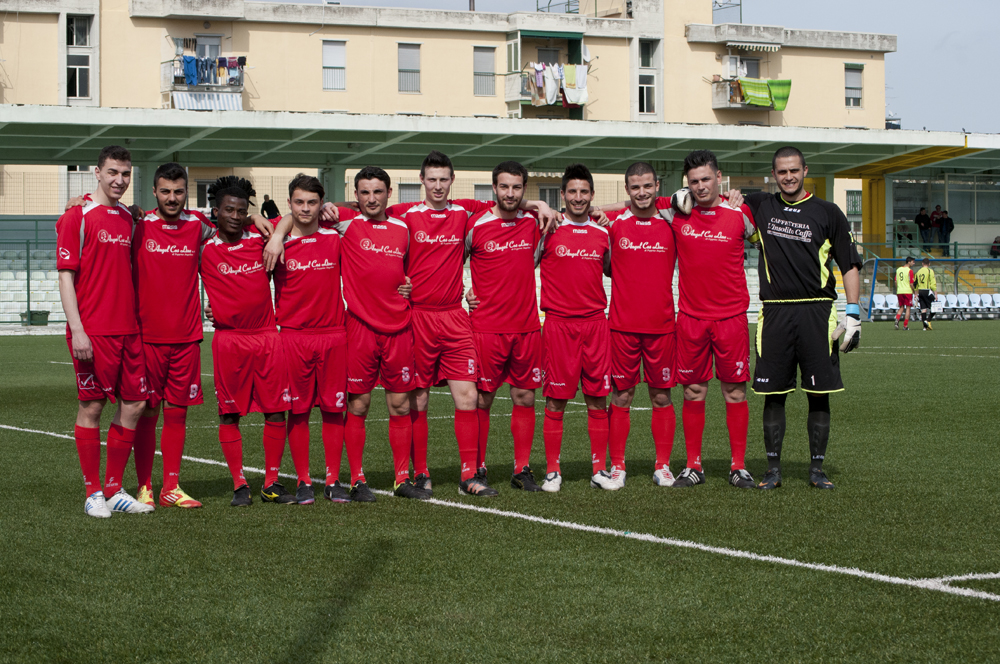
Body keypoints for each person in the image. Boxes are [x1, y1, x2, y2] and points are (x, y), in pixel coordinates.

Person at [383, 152, 556, 497]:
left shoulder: (467, 214)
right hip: (420, 317)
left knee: (470, 396)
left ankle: (472, 476)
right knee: (419, 399)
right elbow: (370, 219)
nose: (437, 185)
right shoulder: (405, 216)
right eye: (431, 179)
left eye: (443, 179)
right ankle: (420, 473)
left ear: (452, 181)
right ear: (421, 181)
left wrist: (539, 203)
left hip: (459, 318)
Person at [266, 167, 424, 501]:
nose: (371, 198)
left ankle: (401, 479)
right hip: (356, 328)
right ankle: (354, 479)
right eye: (364, 192)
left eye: (377, 192)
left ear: (389, 193)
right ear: (356, 195)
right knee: (355, 404)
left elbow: (404, 271)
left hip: (396, 327)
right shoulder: (344, 226)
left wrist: (405, 288)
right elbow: (294, 217)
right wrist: (278, 231)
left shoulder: (402, 229)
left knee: (398, 403)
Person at [734, 146, 862, 490]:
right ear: (773, 175)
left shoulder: (828, 212)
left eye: (794, 170)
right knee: (773, 394)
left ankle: (817, 470)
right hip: (775, 311)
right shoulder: (761, 205)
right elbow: (724, 206)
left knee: (819, 393)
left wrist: (853, 312)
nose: (788, 177)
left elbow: (848, 264)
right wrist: (731, 195)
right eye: (781, 172)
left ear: (805, 170)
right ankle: (772, 470)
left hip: (817, 311)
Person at [57, 145, 153, 518]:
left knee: (134, 405)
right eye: (113, 172)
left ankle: (114, 489)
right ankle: (92, 491)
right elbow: (66, 277)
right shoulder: (77, 217)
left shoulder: (129, 218)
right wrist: (77, 330)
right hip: (92, 330)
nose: (119, 180)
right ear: (96, 173)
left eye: (126, 174)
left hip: (129, 330)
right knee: (93, 406)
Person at [658, 150, 757, 490]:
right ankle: (693, 465)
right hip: (690, 319)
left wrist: (740, 199)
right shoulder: (675, 212)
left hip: (730, 317)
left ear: (719, 178)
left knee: (734, 392)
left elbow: (766, 237)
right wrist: (672, 196)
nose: (700, 187)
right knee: (694, 391)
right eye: (693, 182)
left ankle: (739, 466)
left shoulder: (739, 213)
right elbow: (638, 202)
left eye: (705, 179)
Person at [199, 176, 294, 506]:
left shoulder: (261, 240)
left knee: (276, 410)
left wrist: (273, 232)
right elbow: (169, 216)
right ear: (216, 212)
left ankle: (271, 482)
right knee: (229, 414)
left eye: (242, 211)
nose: (236, 216)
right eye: (230, 210)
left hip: (267, 338)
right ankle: (240, 484)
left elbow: (295, 214)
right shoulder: (204, 249)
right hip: (229, 341)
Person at [129, 163, 217, 509]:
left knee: (177, 413)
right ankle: (144, 486)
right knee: (148, 411)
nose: (172, 198)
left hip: (186, 337)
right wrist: (80, 200)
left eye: (178, 191)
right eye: (165, 191)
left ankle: (171, 487)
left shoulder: (198, 226)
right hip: (147, 337)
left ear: (186, 193)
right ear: (154, 192)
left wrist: (256, 219)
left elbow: (231, 224)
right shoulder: (139, 225)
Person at [464, 161, 547, 491]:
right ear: (493, 189)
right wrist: (465, 295)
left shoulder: (536, 223)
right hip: (486, 328)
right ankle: (479, 468)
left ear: (523, 189)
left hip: (526, 327)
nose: (509, 193)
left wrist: (539, 205)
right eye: (504, 187)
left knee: (525, 397)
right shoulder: (476, 225)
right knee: (483, 400)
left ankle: (522, 468)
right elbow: (449, 261)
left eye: (516, 187)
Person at [535, 163, 616, 493]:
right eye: (572, 192)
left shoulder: (603, 233)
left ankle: (599, 469)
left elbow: (616, 271)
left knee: (598, 399)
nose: (578, 197)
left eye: (584, 192)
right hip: (558, 326)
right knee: (556, 401)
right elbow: (518, 265)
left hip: (596, 325)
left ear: (592, 195)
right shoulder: (547, 230)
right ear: (563, 195)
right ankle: (553, 471)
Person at [271, 174, 349, 504]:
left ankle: (333, 479)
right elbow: (250, 218)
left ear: (322, 204)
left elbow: (367, 211)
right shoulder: (276, 237)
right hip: (293, 336)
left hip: (333, 335)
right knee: (298, 411)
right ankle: (303, 480)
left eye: (313, 202)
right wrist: (277, 232)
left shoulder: (336, 236)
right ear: (289, 203)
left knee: (334, 410)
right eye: (299, 202)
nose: (305, 209)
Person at [601, 162, 679, 488]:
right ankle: (617, 466)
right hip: (622, 327)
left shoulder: (673, 219)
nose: (642, 192)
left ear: (657, 186)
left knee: (662, 398)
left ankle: (662, 466)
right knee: (621, 397)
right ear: (626, 189)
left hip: (662, 327)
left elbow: (694, 199)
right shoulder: (612, 225)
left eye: (647, 186)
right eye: (635, 187)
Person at [915, 257, 937, 331]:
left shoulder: (918, 271)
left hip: (920, 291)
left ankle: (925, 327)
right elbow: (933, 283)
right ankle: (927, 320)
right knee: (935, 307)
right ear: (929, 264)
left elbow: (916, 283)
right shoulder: (930, 271)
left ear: (922, 263)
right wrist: (936, 294)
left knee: (923, 309)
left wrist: (915, 293)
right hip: (927, 291)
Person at [894, 256, 916, 331]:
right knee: (908, 308)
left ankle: (897, 319)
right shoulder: (910, 271)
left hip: (900, 291)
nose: (914, 263)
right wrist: (914, 291)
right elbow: (911, 283)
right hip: (907, 291)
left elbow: (896, 281)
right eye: (913, 262)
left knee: (901, 307)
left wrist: (898, 289)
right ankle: (905, 326)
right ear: (909, 262)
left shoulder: (898, 269)